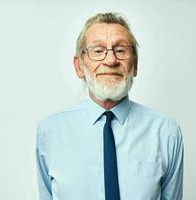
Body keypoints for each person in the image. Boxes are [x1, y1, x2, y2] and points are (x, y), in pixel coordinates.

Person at [36, 12, 184, 200]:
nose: (111, 60)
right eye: (98, 51)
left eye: (121, 50)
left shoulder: (166, 132)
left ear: (135, 65)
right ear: (79, 66)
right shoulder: (50, 132)